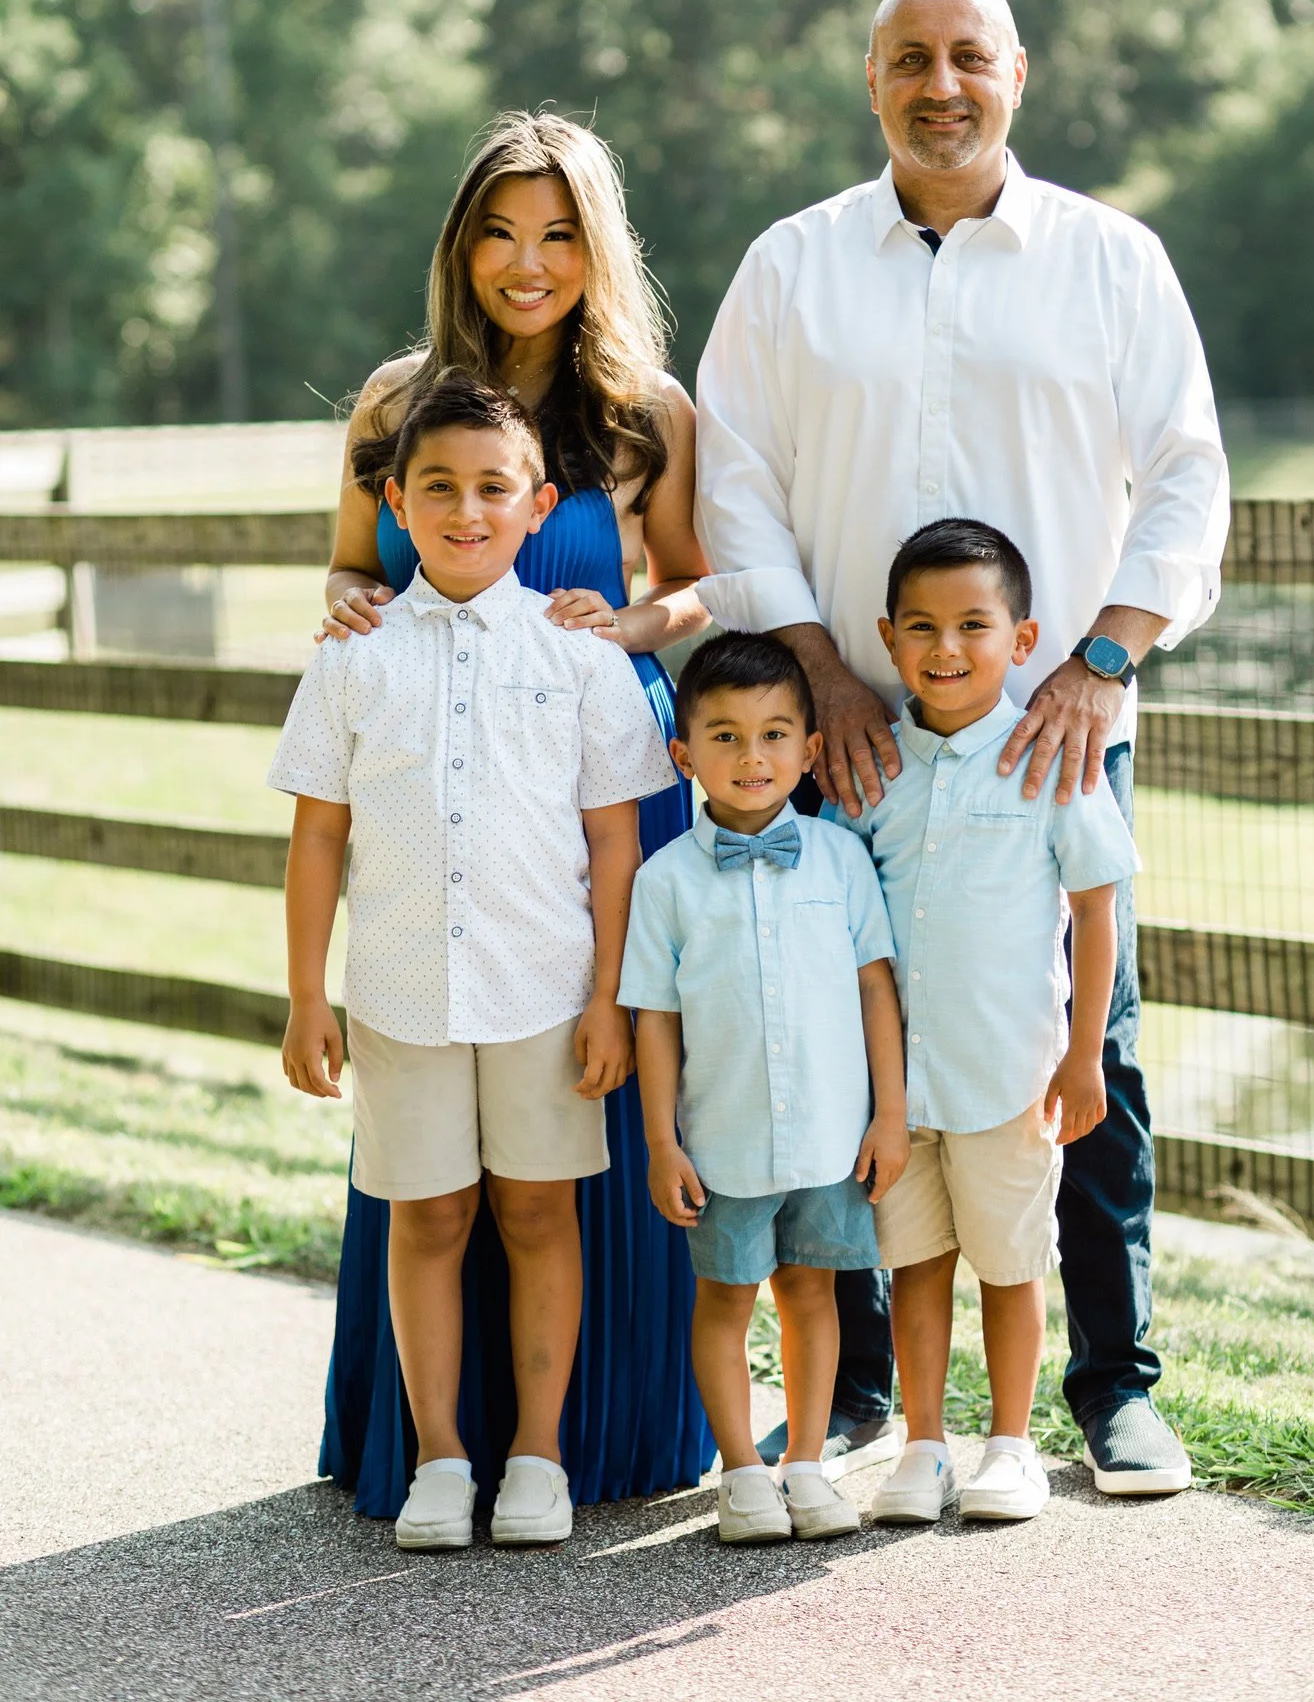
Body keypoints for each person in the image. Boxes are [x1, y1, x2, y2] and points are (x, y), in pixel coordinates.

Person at [694, 0, 1229, 1493]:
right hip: (849, 742)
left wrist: (1103, 659)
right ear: (871, 83)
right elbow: (735, 481)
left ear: (1017, 74)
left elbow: (1187, 473)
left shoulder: (1110, 262)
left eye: (969, 57)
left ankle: (1114, 1390)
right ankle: (868, 1396)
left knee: (1084, 1058)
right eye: (910, 59)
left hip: (1053, 732)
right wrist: (820, 665)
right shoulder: (793, 268)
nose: (942, 84)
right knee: (852, 1054)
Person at [317, 111, 713, 1514]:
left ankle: (581, 1446)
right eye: (499, 230)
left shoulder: (645, 412)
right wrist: (349, 599)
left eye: (557, 233)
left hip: (606, 800)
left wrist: (639, 620)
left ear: (596, 248)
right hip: (453, 825)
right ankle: (429, 1445)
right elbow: (350, 582)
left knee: (585, 1135)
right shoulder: (391, 402)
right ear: (460, 244)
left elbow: (702, 586)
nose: (526, 262)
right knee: (436, 1165)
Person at [272, 373, 679, 1547]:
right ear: (395, 501)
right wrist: (308, 997)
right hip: (400, 995)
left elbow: (616, 847)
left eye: (493, 489)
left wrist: (611, 1002)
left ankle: (539, 1454)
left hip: (547, 996)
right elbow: (318, 835)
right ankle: (442, 1457)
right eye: (437, 488)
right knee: (431, 1219)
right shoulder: (354, 657)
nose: (465, 511)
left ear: (539, 505)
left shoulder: (583, 658)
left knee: (539, 1216)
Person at [834, 519, 1139, 1524]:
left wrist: (1085, 1056)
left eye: (974, 624)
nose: (946, 649)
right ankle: (923, 1446)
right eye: (921, 627)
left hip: (1011, 1074)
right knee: (915, 1261)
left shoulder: (1049, 761)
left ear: (1023, 638)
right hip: (895, 1089)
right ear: (888, 639)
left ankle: (1009, 1445)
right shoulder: (875, 772)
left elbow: (1097, 909)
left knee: (1010, 1264)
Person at [618, 632, 908, 1543]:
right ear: (683, 755)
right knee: (726, 1299)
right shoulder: (663, 883)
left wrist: (889, 1115)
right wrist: (664, 1141)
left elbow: (875, 989)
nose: (754, 758)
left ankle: (808, 1462)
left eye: (777, 734)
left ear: (811, 750)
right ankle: (742, 1472)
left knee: (813, 1292)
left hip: (830, 1135)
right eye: (728, 737)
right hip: (726, 1139)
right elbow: (654, 1018)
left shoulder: (841, 860)